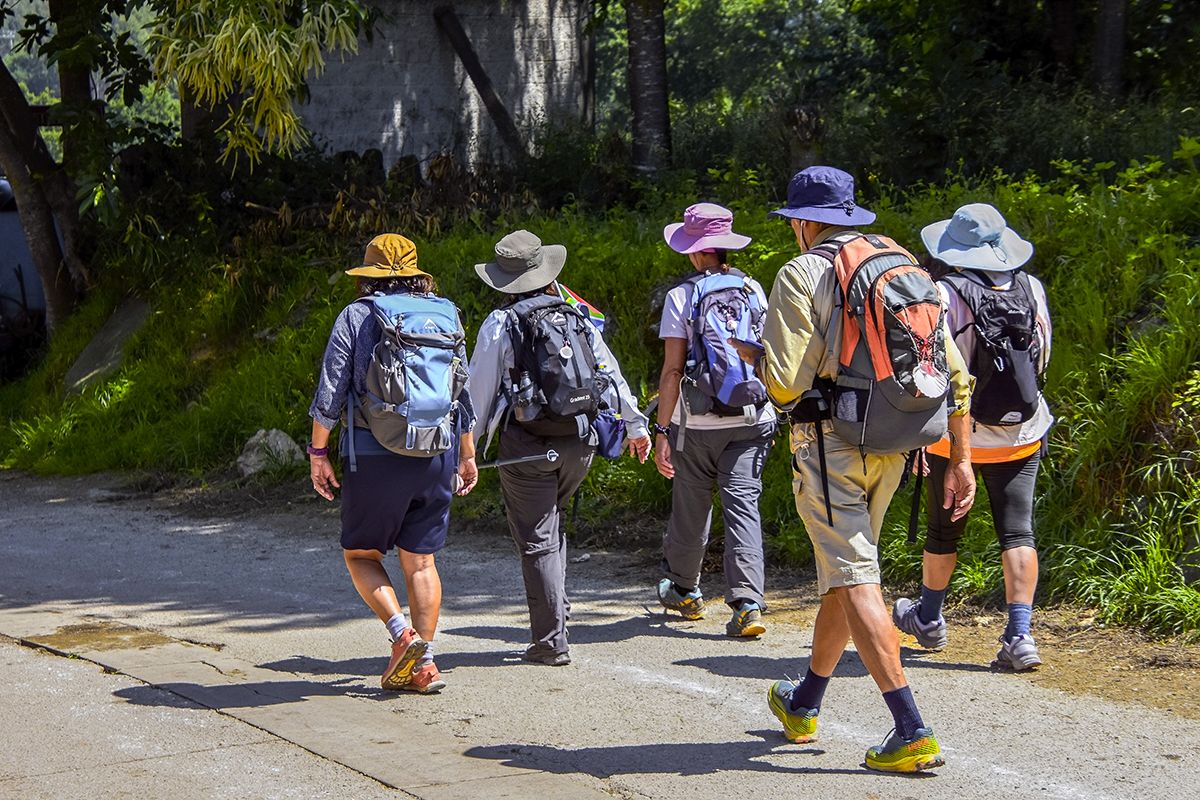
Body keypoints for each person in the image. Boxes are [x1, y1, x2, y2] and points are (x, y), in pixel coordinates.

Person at [753, 167, 976, 772]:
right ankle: (805, 700)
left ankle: (911, 728)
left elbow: (786, 384)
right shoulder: (899, 263)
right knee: (847, 569)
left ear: (803, 221)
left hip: (831, 445)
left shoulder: (802, 273)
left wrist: (759, 359)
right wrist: (960, 458)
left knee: (855, 575)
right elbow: (955, 375)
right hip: (897, 442)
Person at [469, 229, 652, 666]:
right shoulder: (576, 316)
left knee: (536, 538)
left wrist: (465, 450)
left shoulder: (501, 323)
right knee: (551, 526)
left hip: (527, 446)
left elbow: (478, 392)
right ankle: (559, 614)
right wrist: (635, 425)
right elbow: (610, 373)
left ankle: (550, 641)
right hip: (579, 442)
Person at [309, 233, 478, 694]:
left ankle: (403, 635)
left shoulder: (357, 315)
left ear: (369, 275)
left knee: (361, 554)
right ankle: (425, 666)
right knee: (421, 562)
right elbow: (461, 392)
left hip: (374, 453)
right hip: (437, 451)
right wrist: (466, 454)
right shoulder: (445, 313)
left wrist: (319, 453)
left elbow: (330, 392)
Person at [892, 203, 1053, 671]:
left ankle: (928, 618)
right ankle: (1020, 636)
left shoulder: (942, 293)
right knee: (1018, 531)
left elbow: (935, 369)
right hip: (1022, 430)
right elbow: (1042, 355)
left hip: (957, 435)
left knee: (943, 530)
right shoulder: (1031, 287)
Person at [652, 202, 776, 637]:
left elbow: (672, 371)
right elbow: (764, 354)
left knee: (691, 506)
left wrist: (662, 430)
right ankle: (748, 604)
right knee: (743, 506)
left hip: (698, 424)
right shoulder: (754, 289)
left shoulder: (681, 297)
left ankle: (684, 590)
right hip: (752, 418)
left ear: (696, 251)